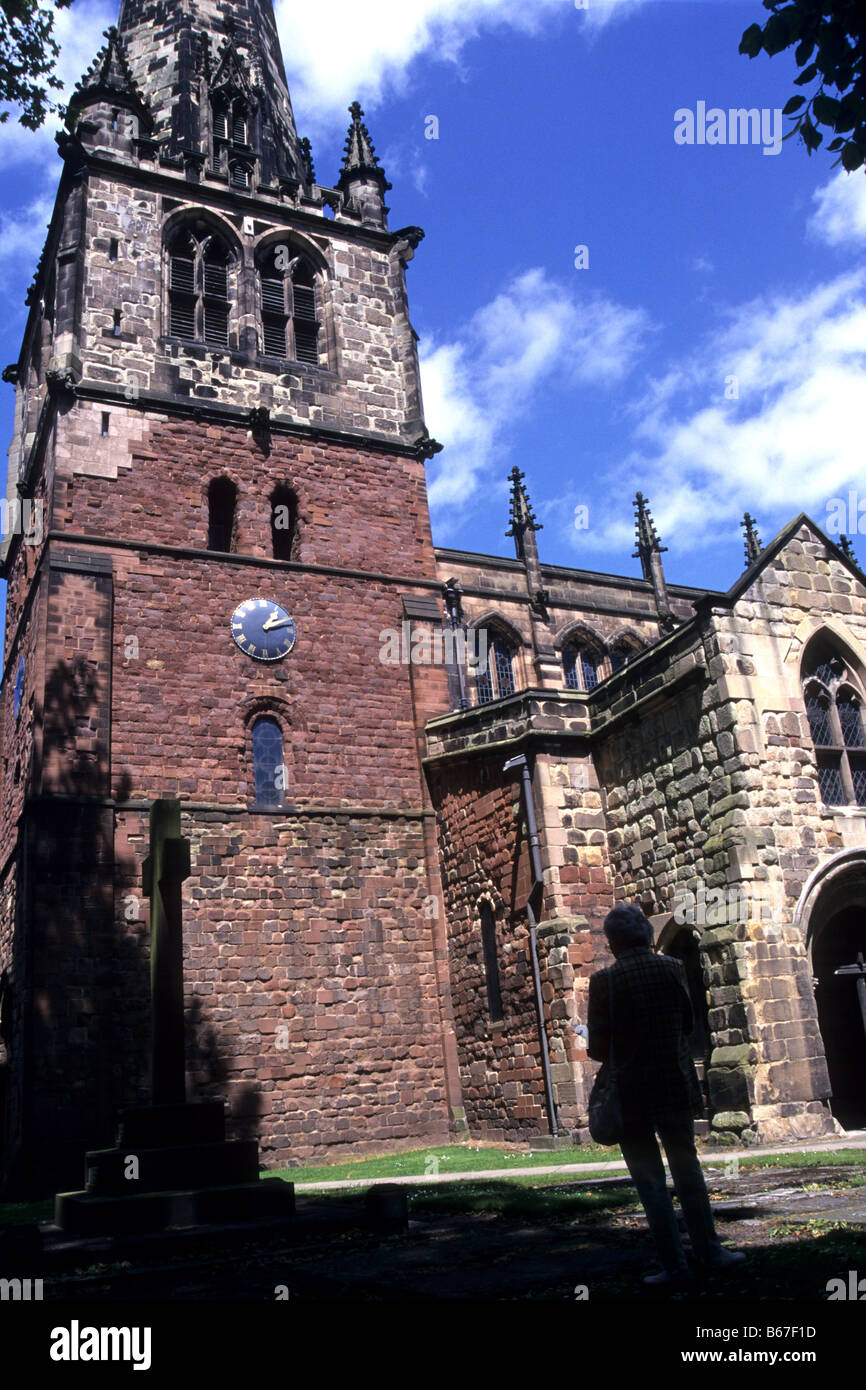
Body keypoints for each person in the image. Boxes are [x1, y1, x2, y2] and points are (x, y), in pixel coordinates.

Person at [587, 903, 745, 1287]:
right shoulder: (672, 968)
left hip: (630, 1091)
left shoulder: (604, 982)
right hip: (674, 1082)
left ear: (612, 942)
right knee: (687, 1169)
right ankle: (710, 1251)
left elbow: (596, 1048)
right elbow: (689, 1022)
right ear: (645, 933)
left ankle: (674, 1266)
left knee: (650, 1182)